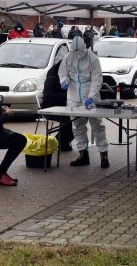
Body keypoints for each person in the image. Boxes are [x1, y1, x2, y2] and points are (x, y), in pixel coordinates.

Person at [59, 36, 109, 168]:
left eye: (79, 52)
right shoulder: (68, 57)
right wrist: (64, 81)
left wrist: (91, 96)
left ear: (84, 48)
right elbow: (63, 73)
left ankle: (104, 154)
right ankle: (83, 154)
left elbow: (97, 79)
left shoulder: (93, 58)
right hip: (74, 95)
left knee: (97, 125)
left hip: (90, 94)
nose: (77, 55)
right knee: (77, 125)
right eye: (74, 52)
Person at [42, 59, 73, 151]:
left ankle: (62, 141)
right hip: (50, 109)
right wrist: (66, 96)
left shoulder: (65, 78)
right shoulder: (52, 78)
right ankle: (59, 141)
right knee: (71, 120)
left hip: (63, 108)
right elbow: (48, 95)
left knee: (78, 120)